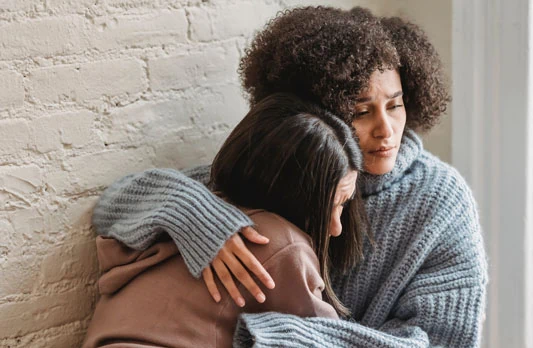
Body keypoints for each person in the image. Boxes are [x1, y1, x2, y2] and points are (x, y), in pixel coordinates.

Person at [92, 6, 488, 348]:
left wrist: (290, 337)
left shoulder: (441, 200)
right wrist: (198, 219)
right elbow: (113, 206)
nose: (387, 130)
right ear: (317, 113)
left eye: (395, 106)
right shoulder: (292, 167)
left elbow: (442, 340)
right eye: (362, 111)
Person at [82, 93, 366, 347]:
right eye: (331, 206)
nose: (336, 227)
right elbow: (326, 340)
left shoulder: (204, 193)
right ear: (291, 194)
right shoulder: (282, 243)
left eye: (343, 205)